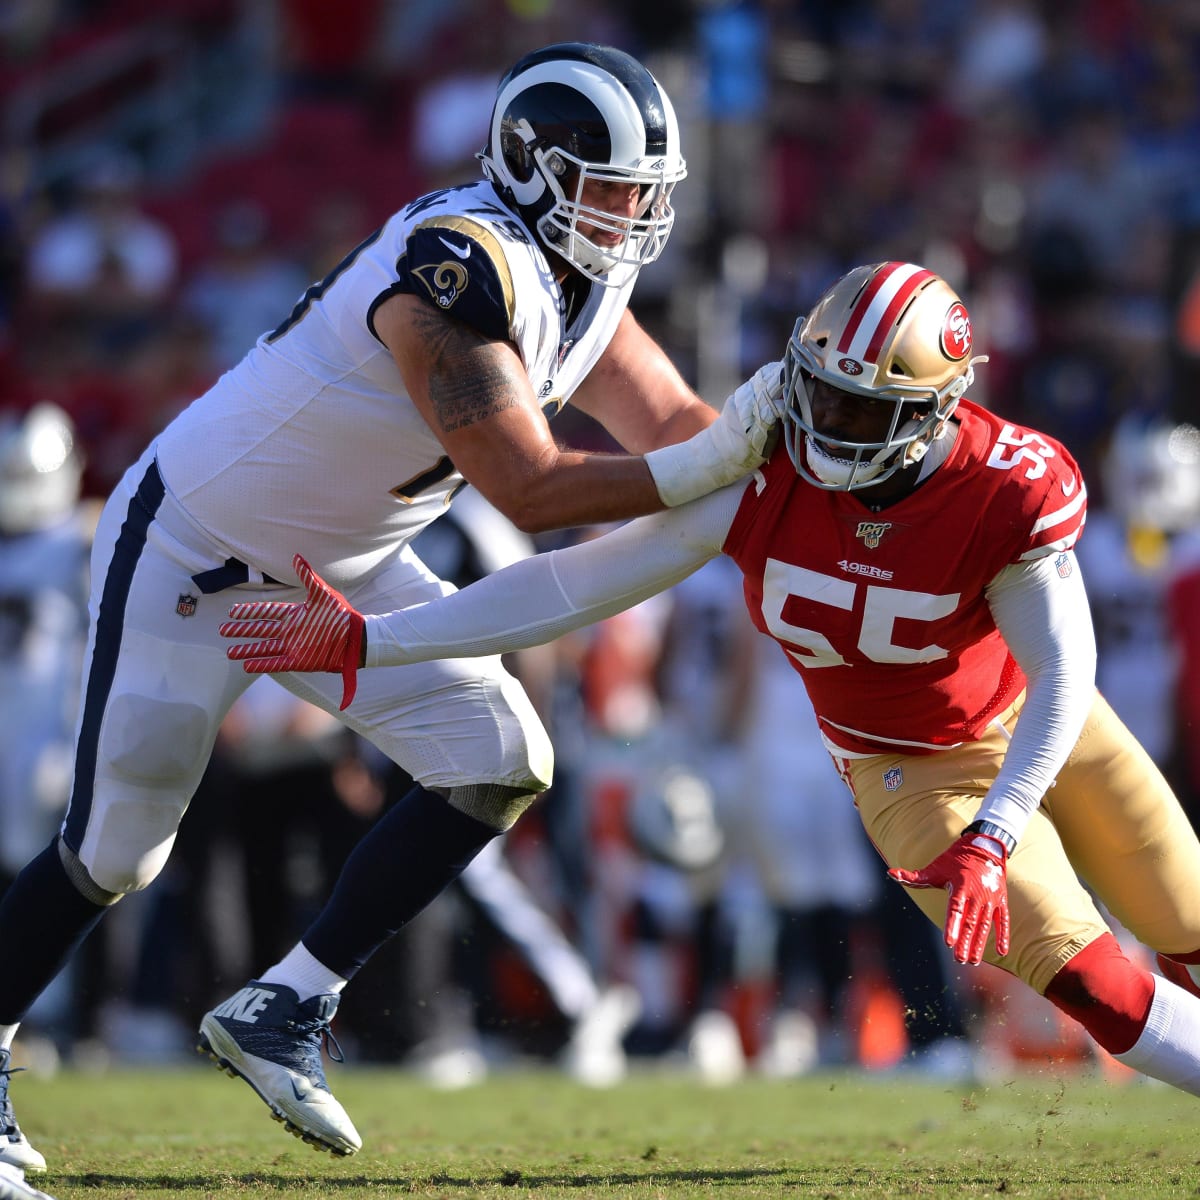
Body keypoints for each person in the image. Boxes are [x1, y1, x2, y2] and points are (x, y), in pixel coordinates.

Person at [0, 42, 785, 1169]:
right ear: (529, 166)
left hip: (347, 566)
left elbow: (671, 424)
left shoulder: (579, 274)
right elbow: (533, 480)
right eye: (607, 190)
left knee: (499, 754)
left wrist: (785, 489)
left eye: (641, 196)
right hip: (195, 552)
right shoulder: (451, 274)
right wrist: (723, 467)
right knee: (121, 848)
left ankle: (287, 1004)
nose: (627, 219)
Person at [232, 260, 1200, 1114]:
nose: (828, 425)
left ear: (937, 408)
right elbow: (573, 584)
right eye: (820, 393)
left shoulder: (1005, 484)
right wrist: (374, 640)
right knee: (1087, 977)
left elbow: (1066, 672)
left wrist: (1008, 819)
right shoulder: (759, 456)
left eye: (863, 411)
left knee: (1188, 926)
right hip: (911, 773)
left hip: (1044, 727)